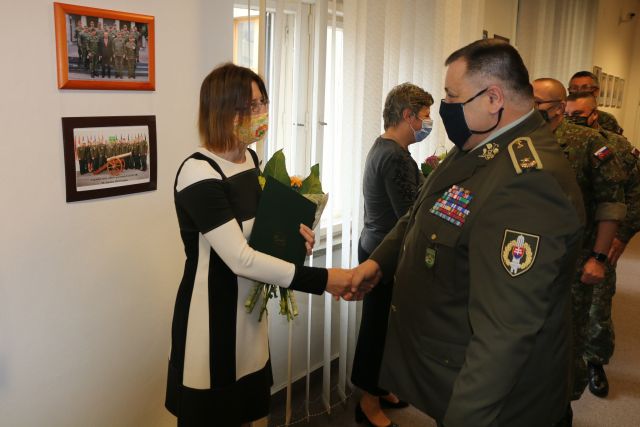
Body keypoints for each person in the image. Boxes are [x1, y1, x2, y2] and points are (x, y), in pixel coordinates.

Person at [351, 39, 586, 427]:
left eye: (451, 95)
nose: (445, 106)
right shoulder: (478, 145)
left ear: (493, 98)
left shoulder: (528, 182)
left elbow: (505, 333)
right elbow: (418, 212)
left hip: (502, 406)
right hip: (452, 367)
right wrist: (378, 263)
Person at [165, 63, 358, 427]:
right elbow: (240, 258)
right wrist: (324, 279)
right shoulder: (198, 172)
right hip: (211, 317)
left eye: (262, 103)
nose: (260, 113)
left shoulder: (251, 161)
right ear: (222, 110)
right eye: (249, 106)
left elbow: (260, 237)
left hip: (250, 315)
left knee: (246, 413)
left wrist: (296, 239)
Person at [532, 79, 627, 409]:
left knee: (568, 338)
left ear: (559, 107)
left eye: (537, 103)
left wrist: (598, 257)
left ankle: (562, 405)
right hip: (528, 257)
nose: (530, 108)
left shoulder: (589, 143)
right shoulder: (522, 141)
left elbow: (611, 203)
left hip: (573, 259)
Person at [351, 83, 433, 427]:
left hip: (374, 244)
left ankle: (381, 389)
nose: (428, 123)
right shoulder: (396, 157)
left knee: (385, 326)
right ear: (408, 115)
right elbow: (410, 213)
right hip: (385, 254)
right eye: (425, 115)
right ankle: (368, 403)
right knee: (378, 330)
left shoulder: (383, 146)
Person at [565, 91, 640, 397]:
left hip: (600, 242)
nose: (572, 121)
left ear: (595, 114)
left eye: (578, 115)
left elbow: (634, 194)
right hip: (568, 243)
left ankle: (595, 363)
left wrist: (622, 236)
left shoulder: (616, 147)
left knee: (597, 306)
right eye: (567, 115)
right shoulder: (557, 143)